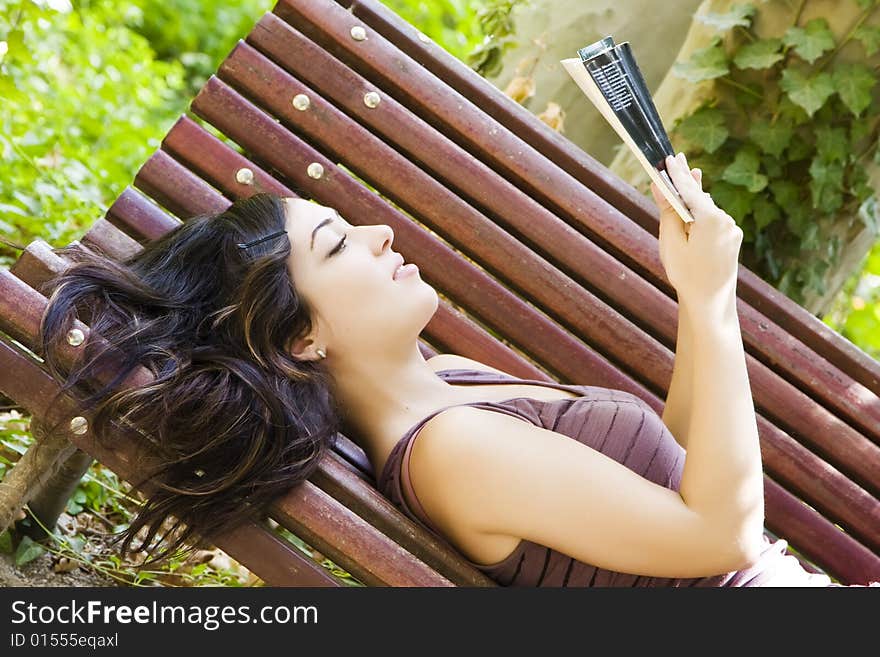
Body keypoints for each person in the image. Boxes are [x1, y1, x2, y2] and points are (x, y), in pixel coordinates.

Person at [39, 152, 876, 586]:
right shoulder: (449, 454)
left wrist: (697, 303)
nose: (380, 237)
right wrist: (712, 302)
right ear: (302, 340)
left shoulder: (458, 382)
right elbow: (717, 535)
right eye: (338, 245)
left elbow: (685, 485)